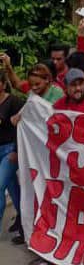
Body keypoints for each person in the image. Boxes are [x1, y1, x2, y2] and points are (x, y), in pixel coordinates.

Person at [0, 70, 23, 238]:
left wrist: (16, 150)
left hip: (9, 150)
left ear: (3, 83)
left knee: (0, 185)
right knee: (12, 187)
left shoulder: (14, 101)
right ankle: (24, 218)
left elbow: (21, 127)